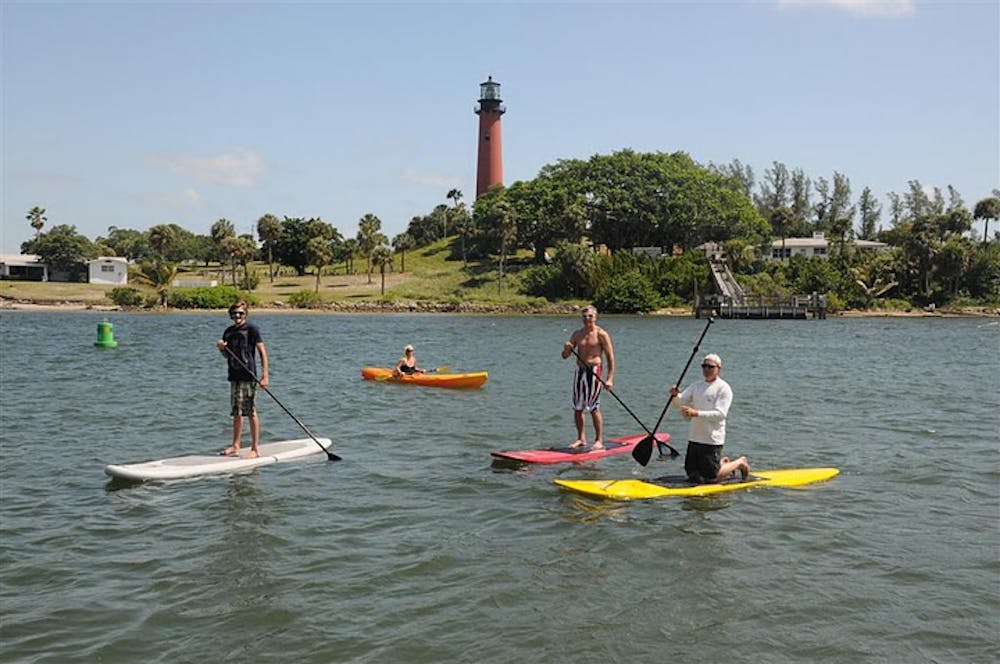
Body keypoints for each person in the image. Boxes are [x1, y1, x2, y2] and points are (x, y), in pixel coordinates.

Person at [670, 353, 748, 482]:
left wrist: (696, 413)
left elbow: (720, 414)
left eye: (710, 367)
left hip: (711, 438)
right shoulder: (696, 385)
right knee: (692, 475)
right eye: (704, 366)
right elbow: (679, 403)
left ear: (719, 368)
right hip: (695, 436)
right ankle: (722, 463)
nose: (706, 369)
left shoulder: (723, 388)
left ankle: (740, 462)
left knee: (710, 478)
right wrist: (675, 395)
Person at [216, 300, 269, 459]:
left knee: (250, 411)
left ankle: (255, 448)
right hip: (234, 375)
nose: (237, 316)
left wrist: (265, 375)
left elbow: (262, 352)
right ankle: (235, 445)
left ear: (245, 314)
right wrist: (222, 349)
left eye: (240, 313)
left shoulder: (252, 329)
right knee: (236, 412)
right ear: (230, 316)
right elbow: (227, 356)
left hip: (249, 375)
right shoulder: (228, 332)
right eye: (234, 314)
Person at [561, 305, 615, 450]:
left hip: (595, 371)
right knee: (578, 407)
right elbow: (565, 356)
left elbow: (610, 358)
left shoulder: (601, 334)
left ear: (595, 317)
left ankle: (598, 439)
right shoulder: (577, 334)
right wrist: (567, 349)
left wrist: (610, 379)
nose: (587, 319)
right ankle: (581, 438)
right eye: (584, 316)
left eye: (590, 316)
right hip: (580, 371)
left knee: (593, 406)